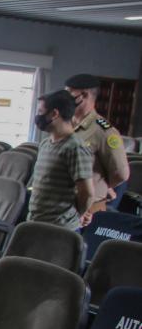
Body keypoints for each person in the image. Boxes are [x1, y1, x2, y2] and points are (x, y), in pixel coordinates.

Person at [64, 74, 130, 222]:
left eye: (69, 94)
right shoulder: (66, 124)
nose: (64, 99)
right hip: (63, 204)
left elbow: (121, 174)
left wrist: (99, 186)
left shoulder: (104, 131)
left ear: (84, 95)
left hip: (87, 209)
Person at [27, 90, 94, 230]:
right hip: (35, 222)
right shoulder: (45, 144)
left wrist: (77, 215)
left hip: (59, 228)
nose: (38, 116)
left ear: (54, 114)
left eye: (40, 112)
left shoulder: (75, 147)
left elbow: (87, 193)